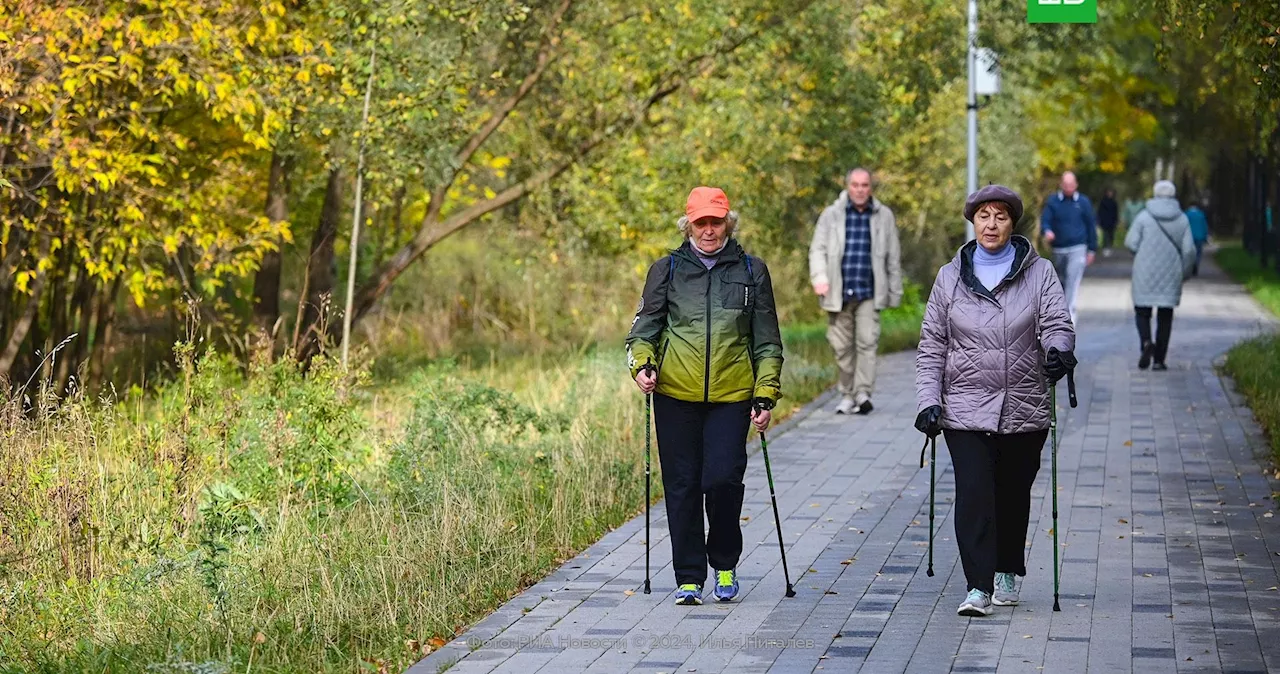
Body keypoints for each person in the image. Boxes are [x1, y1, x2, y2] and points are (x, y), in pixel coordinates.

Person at [914, 184, 1077, 617]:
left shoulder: (1039, 273)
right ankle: (977, 586)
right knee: (973, 494)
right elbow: (932, 343)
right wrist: (928, 401)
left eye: (1000, 216)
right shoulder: (950, 277)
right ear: (973, 222)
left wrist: (1059, 351)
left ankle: (1007, 568)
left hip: (1024, 404)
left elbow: (1058, 322)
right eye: (983, 215)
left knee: (1012, 493)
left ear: (1012, 223)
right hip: (964, 407)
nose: (991, 224)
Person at [626, 186, 784, 606]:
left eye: (716, 222)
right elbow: (644, 330)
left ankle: (726, 565)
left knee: (723, 480)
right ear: (689, 225)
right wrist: (643, 365)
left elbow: (768, 341)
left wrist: (765, 392)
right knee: (681, 485)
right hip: (675, 393)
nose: (709, 230)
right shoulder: (667, 270)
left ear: (728, 223)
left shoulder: (752, 271)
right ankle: (690, 576)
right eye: (701, 223)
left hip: (733, 394)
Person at [807, 167, 903, 415]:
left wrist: (894, 291)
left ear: (871, 188)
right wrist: (820, 278)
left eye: (865, 185)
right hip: (838, 292)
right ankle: (847, 394)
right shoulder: (831, 215)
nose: (860, 190)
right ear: (848, 186)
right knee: (841, 347)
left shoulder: (884, 216)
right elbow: (817, 249)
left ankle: (862, 393)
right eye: (855, 185)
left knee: (867, 343)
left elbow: (893, 256)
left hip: (869, 291)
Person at [1125, 180, 1196, 371]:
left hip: (1144, 272)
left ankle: (1147, 342)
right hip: (1171, 273)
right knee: (1165, 316)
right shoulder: (1182, 219)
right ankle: (1159, 360)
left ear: (1155, 194)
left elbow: (1131, 243)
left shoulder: (1143, 217)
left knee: (1142, 311)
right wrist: (1185, 272)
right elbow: (1189, 251)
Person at [1040, 171, 1097, 326]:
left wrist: (1092, 249)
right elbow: (1045, 221)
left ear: (1076, 185)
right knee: (1060, 282)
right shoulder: (1053, 202)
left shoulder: (1083, 202)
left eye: (1071, 185)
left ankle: (1069, 318)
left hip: (1078, 247)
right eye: (1066, 185)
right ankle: (1059, 312)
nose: (1069, 188)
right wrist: (1047, 231)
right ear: (1061, 185)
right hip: (1058, 249)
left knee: (1073, 280)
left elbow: (1091, 226)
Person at [1185, 200, 1209, 276]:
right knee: (1198, 252)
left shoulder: (1186, 214)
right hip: (1199, 236)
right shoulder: (1201, 214)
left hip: (1189, 237)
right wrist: (1205, 237)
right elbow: (1205, 226)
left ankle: (1191, 266)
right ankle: (1196, 264)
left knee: (1189, 252)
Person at [1098, 188, 1119, 254]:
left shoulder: (1114, 202)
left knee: (1111, 235)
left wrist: (1116, 220)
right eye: (1109, 192)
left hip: (1112, 222)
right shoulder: (1103, 202)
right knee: (1105, 235)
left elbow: (1116, 212)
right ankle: (1105, 247)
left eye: (1111, 192)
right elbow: (1100, 212)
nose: (1110, 194)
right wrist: (1100, 220)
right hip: (1104, 221)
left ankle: (1109, 246)